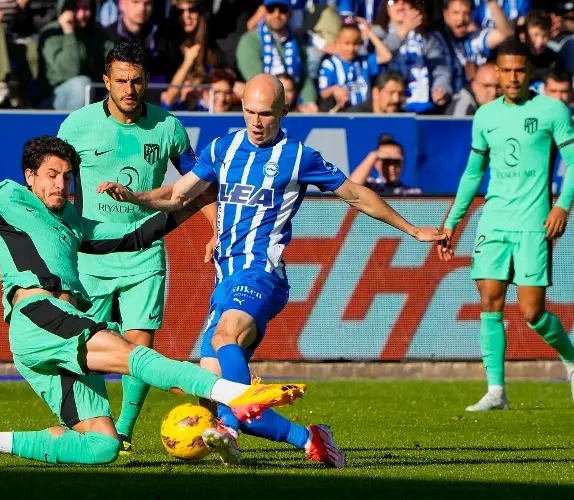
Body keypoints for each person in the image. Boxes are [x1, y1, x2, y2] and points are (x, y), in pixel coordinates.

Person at [97, 73, 447, 466]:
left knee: (227, 341)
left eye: (266, 113)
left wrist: (414, 228)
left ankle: (231, 425)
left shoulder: (299, 156)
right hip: (226, 278)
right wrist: (135, 196)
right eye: (249, 111)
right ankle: (309, 439)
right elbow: (179, 195)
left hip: (262, 274)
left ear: (284, 111)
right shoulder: (222, 148)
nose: (256, 122)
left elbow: (357, 194)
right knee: (215, 387)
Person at [0, 120, 305, 464]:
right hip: (38, 316)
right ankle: (235, 394)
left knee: (103, 446)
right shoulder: (7, 198)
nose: (60, 184)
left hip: (51, 336)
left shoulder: (70, 220)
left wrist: (190, 206)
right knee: (132, 354)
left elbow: (134, 238)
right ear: (30, 176)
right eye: (51, 174)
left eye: (67, 177)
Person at [56, 42, 216, 455]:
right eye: (121, 80)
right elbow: (55, 184)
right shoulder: (76, 126)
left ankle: (123, 432)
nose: (130, 88)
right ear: (105, 81)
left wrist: (217, 229)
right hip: (89, 254)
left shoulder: (168, 128)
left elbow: (197, 185)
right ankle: (91, 424)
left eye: (137, 80)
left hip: (144, 252)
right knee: (82, 346)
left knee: (138, 346)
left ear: (146, 81)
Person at [438, 38, 574, 412]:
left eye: (519, 70)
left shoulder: (552, 111)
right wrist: (453, 222)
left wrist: (562, 205)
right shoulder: (485, 116)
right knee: (489, 301)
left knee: (532, 313)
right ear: (496, 73)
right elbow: (473, 173)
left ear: (530, 72)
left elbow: (573, 162)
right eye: (506, 70)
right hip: (494, 221)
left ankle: (571, 359)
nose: (513, 77)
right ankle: (496, 390)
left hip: (533, 223)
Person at [431, 0, 512, 95]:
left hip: (473, 99)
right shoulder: (434, 39)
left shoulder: (474, 38)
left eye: (466, 13)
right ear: (446, 14)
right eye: (456, 13)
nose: (461, 19)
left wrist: (491, 3)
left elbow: (505, 34)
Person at [318, 21, 393, 112]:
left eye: (356, 43)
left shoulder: (365, 61)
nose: (351, 48)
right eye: (347, 43)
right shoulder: (330, 64)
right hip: (344, 111)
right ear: (338, 42)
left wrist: (370, 33)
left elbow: (386, 56)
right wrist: (334, 89)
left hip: (365, 111)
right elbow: (323, 92)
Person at [349, 134, 422, 194]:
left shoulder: (412, 193)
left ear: (403, 164)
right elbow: (351, 189)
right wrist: (373, 155)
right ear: (376, 163)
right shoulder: (368, 187)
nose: (392, 167)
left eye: (396, 162)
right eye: (386, 161)